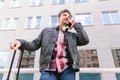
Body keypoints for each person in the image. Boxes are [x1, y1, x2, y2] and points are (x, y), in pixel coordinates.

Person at [9, 9, 89, 80]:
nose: (67, 17)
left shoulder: (72, 36)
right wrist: (20, 42)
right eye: (64, 15)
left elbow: (85, 40)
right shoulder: (47, 31)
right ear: (58, 18)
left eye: (69, 16)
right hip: (48, 67)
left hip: (68, 68)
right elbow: (34, 44)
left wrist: (76, 25)